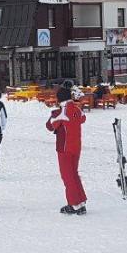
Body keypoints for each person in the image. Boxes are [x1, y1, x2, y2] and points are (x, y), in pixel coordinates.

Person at [46, 81, 87, 215]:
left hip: (64, 148)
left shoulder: (61, 112)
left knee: (67, 176)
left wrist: (52, 115)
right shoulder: (77, 109)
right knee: (74, 174)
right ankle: (81, 201)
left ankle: (74, 204)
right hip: (76, 147)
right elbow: (83, 118)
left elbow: (50, 126)